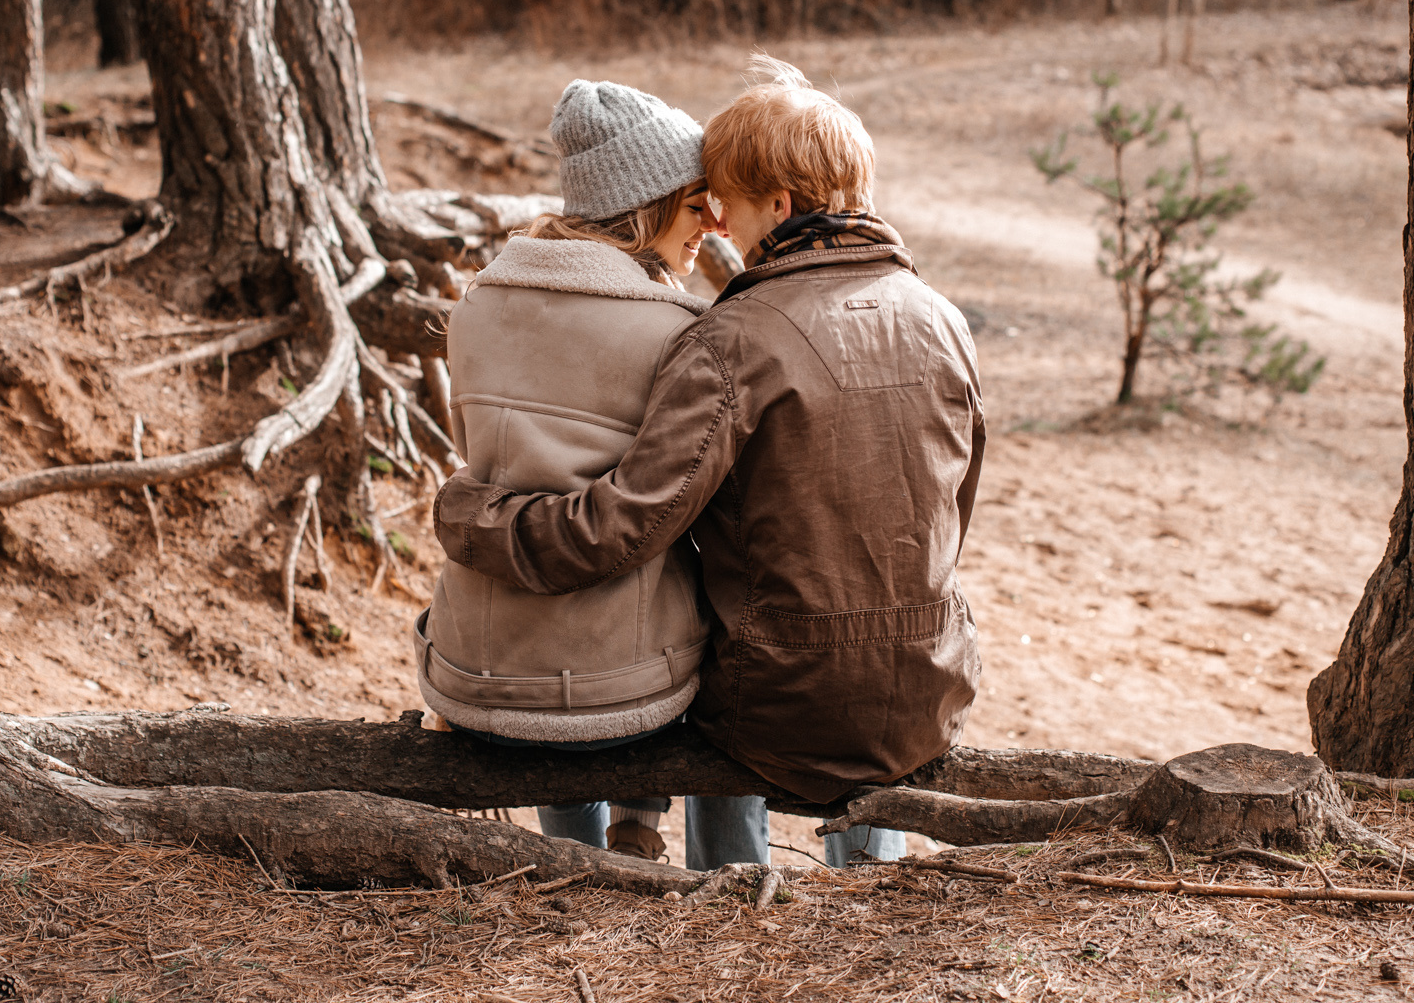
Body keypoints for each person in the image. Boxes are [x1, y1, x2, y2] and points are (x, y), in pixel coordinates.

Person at [435, 55, 986, 868]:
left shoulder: (732, 337)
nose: (719, 224)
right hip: (931, 682)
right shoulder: (944, 319)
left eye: (725, 199)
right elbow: (956, 508)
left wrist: (472, 517)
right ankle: (876, 881)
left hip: (772, 706)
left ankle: (730, 884)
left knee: (712, 650)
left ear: (781, 204)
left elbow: (628, 521)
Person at [415, 77, 759, 864]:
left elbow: (496, 491)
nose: (713, 221)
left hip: (475, 669)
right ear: (647, 202)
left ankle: (572, 855)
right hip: (616, 694)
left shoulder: (473, 307)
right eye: (696, 199)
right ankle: (652, 825)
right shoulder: (681, 332)